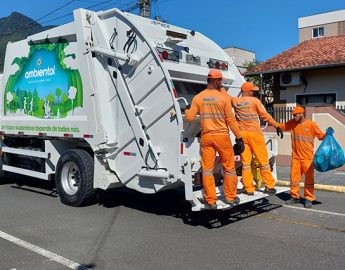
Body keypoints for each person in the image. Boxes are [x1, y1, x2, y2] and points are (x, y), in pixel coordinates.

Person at [185, 69, 245, 208]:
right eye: (221, 81)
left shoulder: (198, 98)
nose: (221, 83)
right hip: (222, 137)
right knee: (229, 168)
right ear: (217, 81)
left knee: (207, 170)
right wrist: (239, 138)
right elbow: (231, 120)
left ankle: (211, 201)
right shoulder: (223, 98)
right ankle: (230, 197)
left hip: (206, 137)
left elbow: (189, 117)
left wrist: (188, 109)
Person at [231, 81, 283, 195]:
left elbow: (225, 97)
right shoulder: (255, 101)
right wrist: (277, 125)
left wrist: (220, 88)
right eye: (253, 91)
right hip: (255, 134)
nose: (254, 93)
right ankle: (269, 186)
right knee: (263, 161)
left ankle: (249, 188)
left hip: (242, 135)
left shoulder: (235, 101)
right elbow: (265, 116)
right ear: (248, 91)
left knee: (246, 163)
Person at [279, 106, 329, 208]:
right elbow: (282, 126)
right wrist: (274, 125)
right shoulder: (292, 123)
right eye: (293, 115)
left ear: (301, 114)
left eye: (295, 115)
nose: (293, 116)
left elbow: (320, 136)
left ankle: (308, 198)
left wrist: (327, 134)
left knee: (309, 179)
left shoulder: (311, 125)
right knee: (294, 179)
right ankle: (294, 196)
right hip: (296, 157)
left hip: (308, 159)